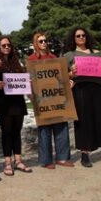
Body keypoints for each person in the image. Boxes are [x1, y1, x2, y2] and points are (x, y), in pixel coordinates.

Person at [62, 27, 101, 168]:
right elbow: (64, 77)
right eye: (78, 36)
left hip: (99, 88)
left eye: (83, 35)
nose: (81, 37)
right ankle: (85, 155)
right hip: (80, 90)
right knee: (83, 120)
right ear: (73, 38)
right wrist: (71, 73)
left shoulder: (97, 53)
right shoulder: (68, 55)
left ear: (87, 37)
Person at [27, 31, 74, 169]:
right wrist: (30, 93)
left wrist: (68, 82)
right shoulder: (31, 60)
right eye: (40, 41)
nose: (44, 43)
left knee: (62, 127)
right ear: (35, 43)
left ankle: (63, 158)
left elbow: (61, 77)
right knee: (44, 130)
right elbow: (30, 80)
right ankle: (46, 160)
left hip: (57, 97)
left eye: (45, 41)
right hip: (41, 99)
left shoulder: (54, 57)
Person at [0, 36, 32, 176]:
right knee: (7, 132)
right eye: (3, 45)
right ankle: (7, 163)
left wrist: (28, 84)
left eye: (8, 45)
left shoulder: (17, 63)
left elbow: (23, 81)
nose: (6, 47)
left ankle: (19, 161)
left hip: (17, 102)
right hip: (3, 102)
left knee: (17, 131)